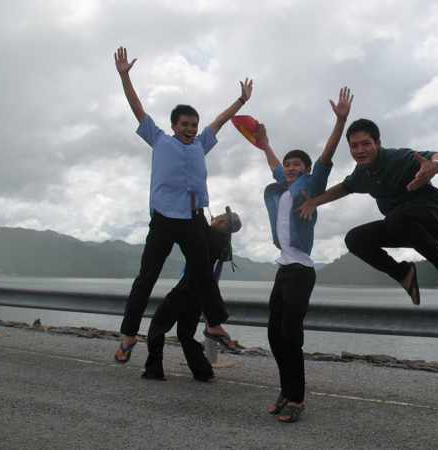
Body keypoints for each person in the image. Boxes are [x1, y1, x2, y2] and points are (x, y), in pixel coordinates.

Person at [112, 46, 253, 363]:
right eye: (185, 124)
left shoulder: (201, 144)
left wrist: (241, 101)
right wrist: (124, 77)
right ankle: (129, 334)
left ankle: (214, 323)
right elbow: (137, 108)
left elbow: (219, 121)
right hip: (164, 219)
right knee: (147, 277)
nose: (190, 129)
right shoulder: (159, 140)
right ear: (174, 125)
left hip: (193, 218)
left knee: (203, 273)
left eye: (193, 125)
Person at [254, 88, 353, 423]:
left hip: (301, 270)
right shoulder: (283, 185)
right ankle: (286, 389)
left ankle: (297, 398)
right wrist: (265, 144)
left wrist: (340, 122)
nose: (290, 168)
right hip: (284, 268)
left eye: (297, 164)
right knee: (274, 335)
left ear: (307, 170)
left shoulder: (311, 184)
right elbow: (274, 166)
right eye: (288, 164)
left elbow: (326, 157)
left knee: (290, 335)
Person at [298, 118, 438, 305]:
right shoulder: (362, 173)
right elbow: (344, 188)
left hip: (434, 219)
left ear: (378, 143)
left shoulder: (398, 158)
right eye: (354, 146)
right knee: (354, 239)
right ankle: (403, 273)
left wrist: (435, 166)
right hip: (403, 228)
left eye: (366, 143)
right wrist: (314, 202)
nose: (360, 150)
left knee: (396, 218)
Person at [142, 209, 242, 382]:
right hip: (198, 295)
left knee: (158, 325)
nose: (213, 218)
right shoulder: (222, 242)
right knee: (185, 334)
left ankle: (154, 369)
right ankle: (203, 372)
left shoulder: (207, 235)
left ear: (223, 223)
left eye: (218, 217)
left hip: (185, 289)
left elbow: (195, 223)